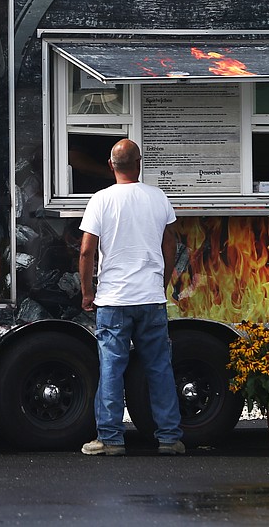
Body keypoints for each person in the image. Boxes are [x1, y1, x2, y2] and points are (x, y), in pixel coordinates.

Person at [78, 138, 184, 456]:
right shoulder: (158, 197)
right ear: (140, 164)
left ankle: (110, 439)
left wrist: (87, 292)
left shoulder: (101, 200)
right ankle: (169, 438)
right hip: (150, 298)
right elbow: (170, 244)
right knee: (159, 368)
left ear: (112, 165)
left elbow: (86, 250)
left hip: (113, 300)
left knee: (112, 367)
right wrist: (162, 282)